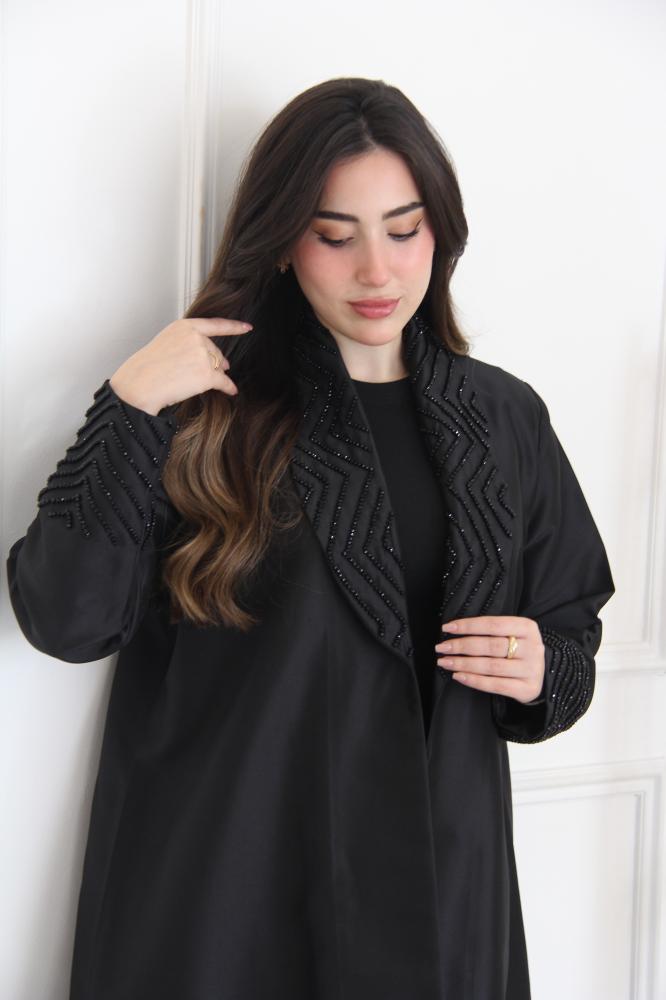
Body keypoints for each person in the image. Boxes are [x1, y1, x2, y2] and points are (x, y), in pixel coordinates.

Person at [6, 77, 614, 1000]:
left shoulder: (503, 418)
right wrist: (127, 407)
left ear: (441, 232)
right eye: (336, 236)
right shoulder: (207, 408)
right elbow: (66, 620)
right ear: (284, 240)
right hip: (230, 900)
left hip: (442, 893)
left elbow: (569, 630)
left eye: (404, 230)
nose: (377, 271)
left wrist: (542, 671)